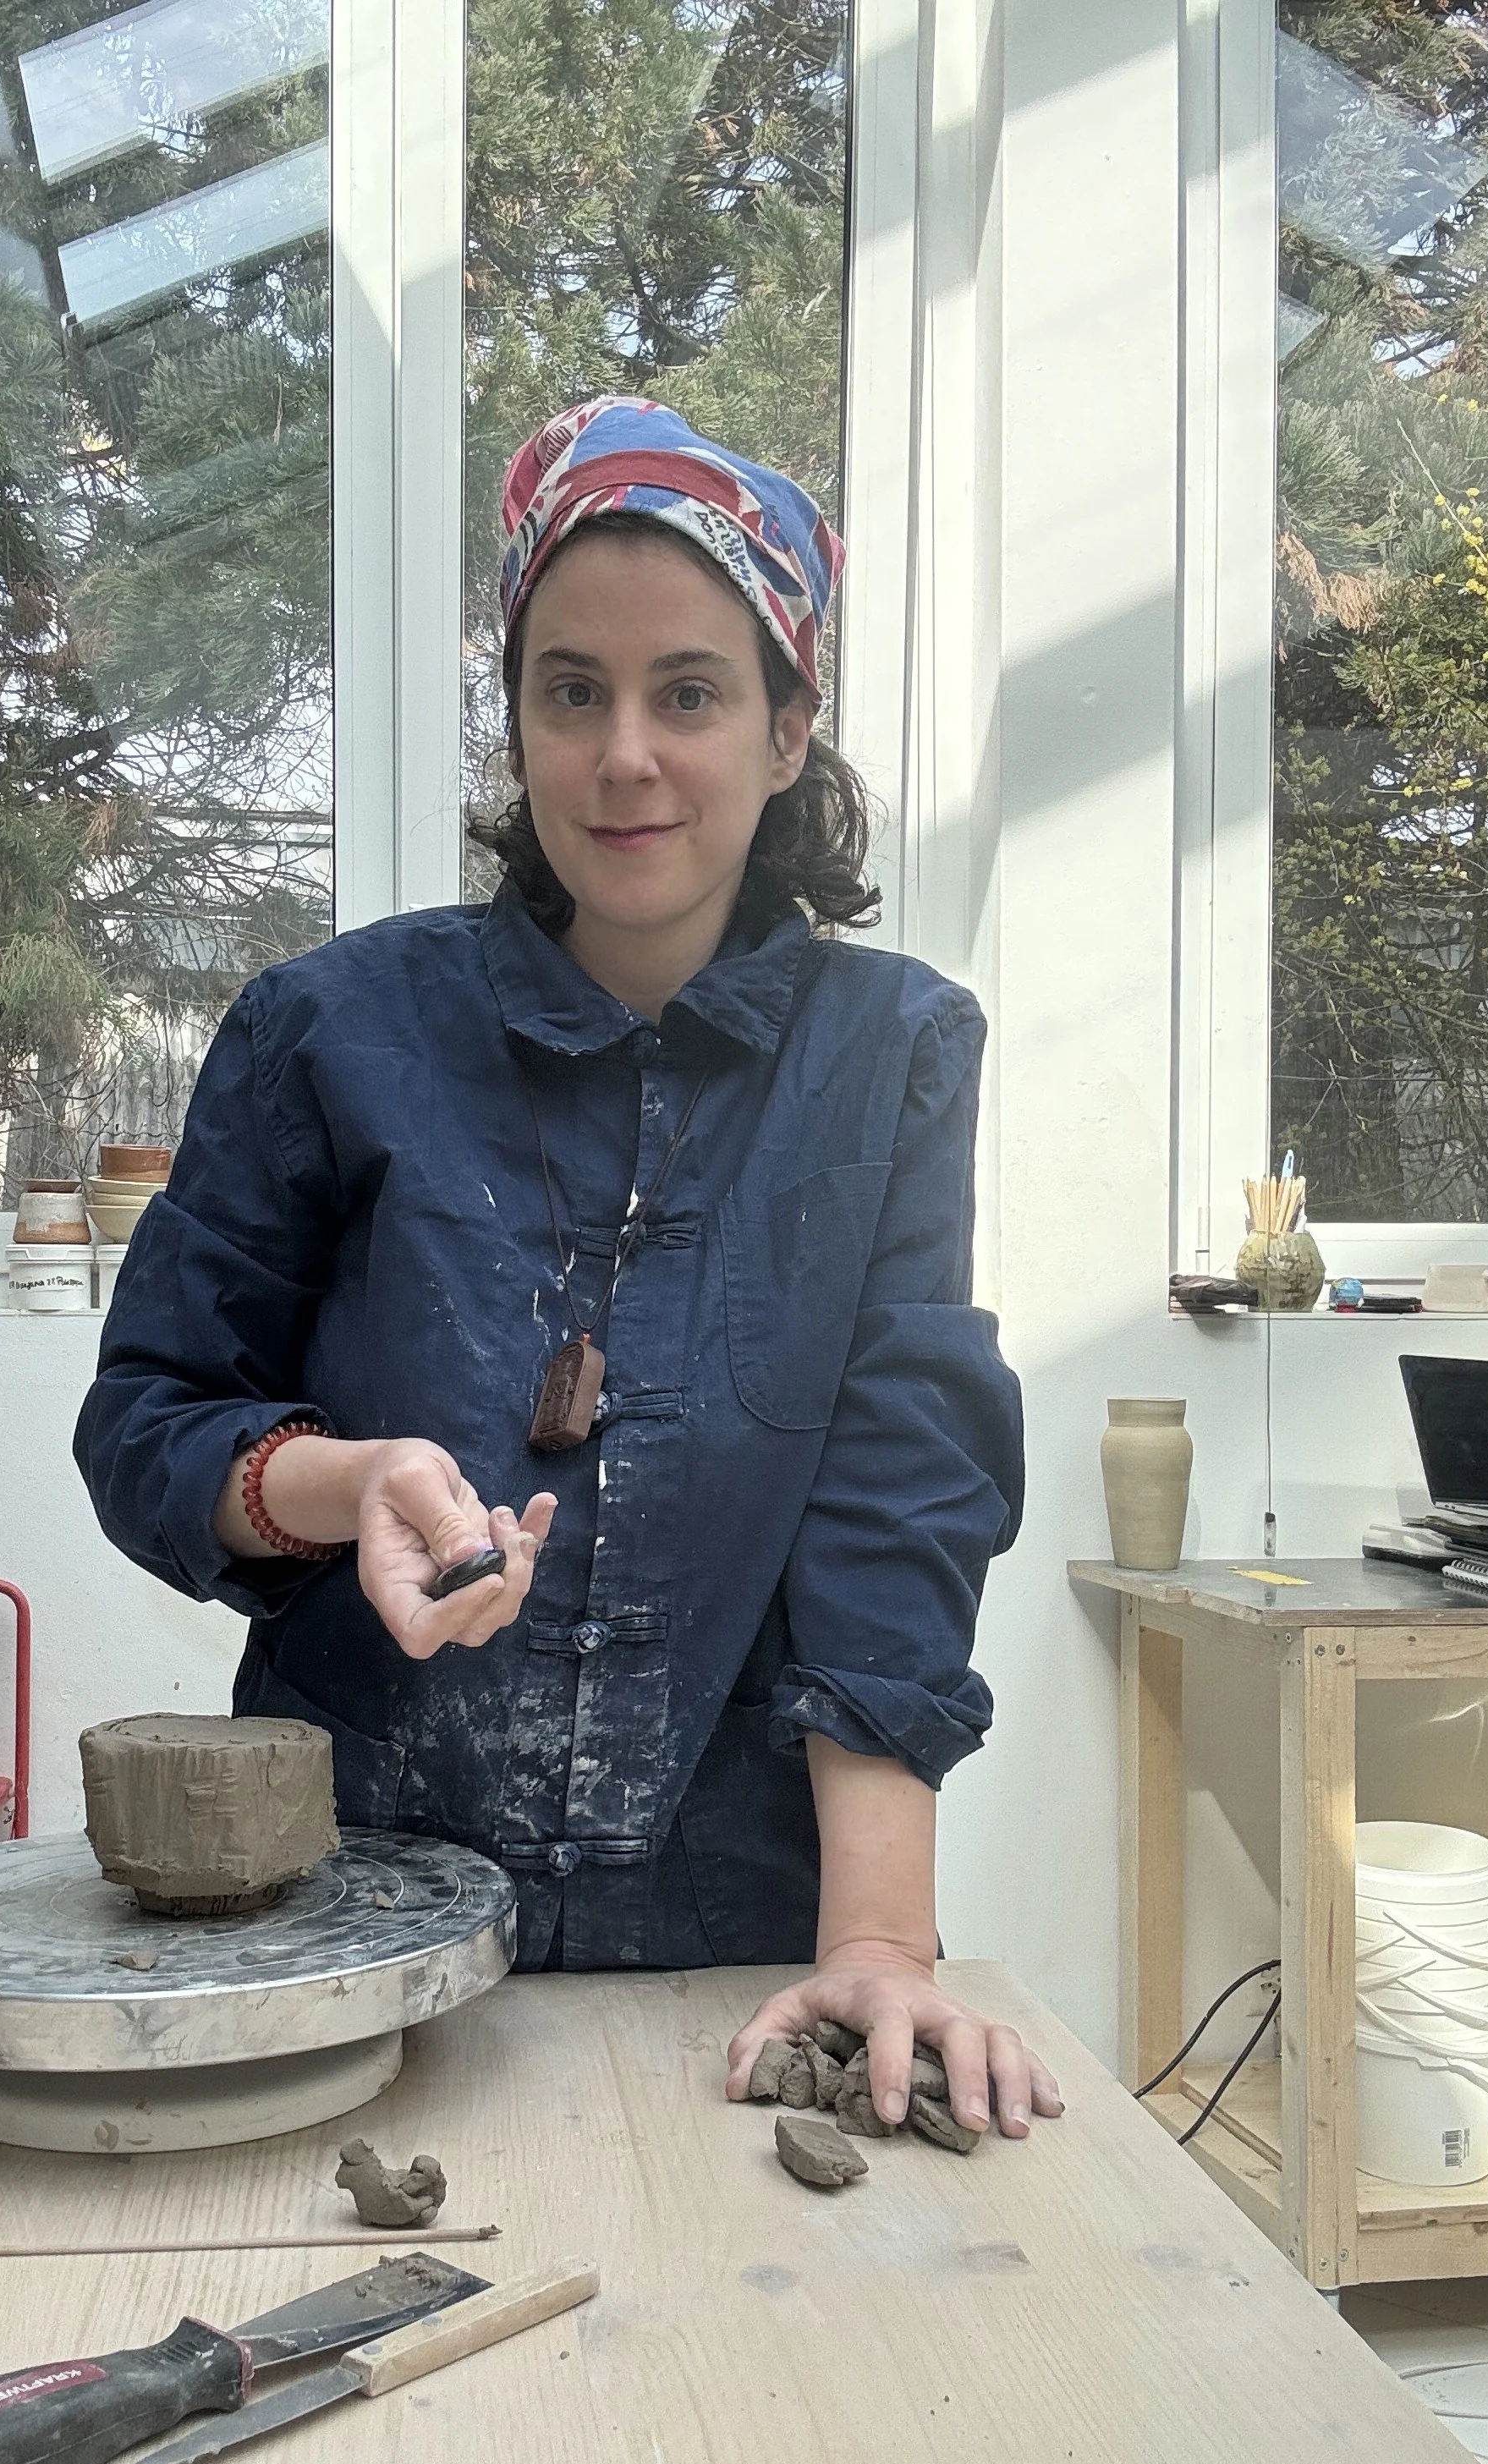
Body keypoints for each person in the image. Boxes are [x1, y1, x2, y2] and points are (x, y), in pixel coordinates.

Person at [74, 396, 1062, 2142]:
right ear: (518, 716)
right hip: (348, 1930)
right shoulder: (325, 1031)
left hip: (732, 1956)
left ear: (787, 730)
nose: (624, 756)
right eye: (572, 690)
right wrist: (342, 1482)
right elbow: (150, 1418)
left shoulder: (894, 1053)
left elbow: (899, 1494)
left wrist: (882, 1943)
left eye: (690, 693)